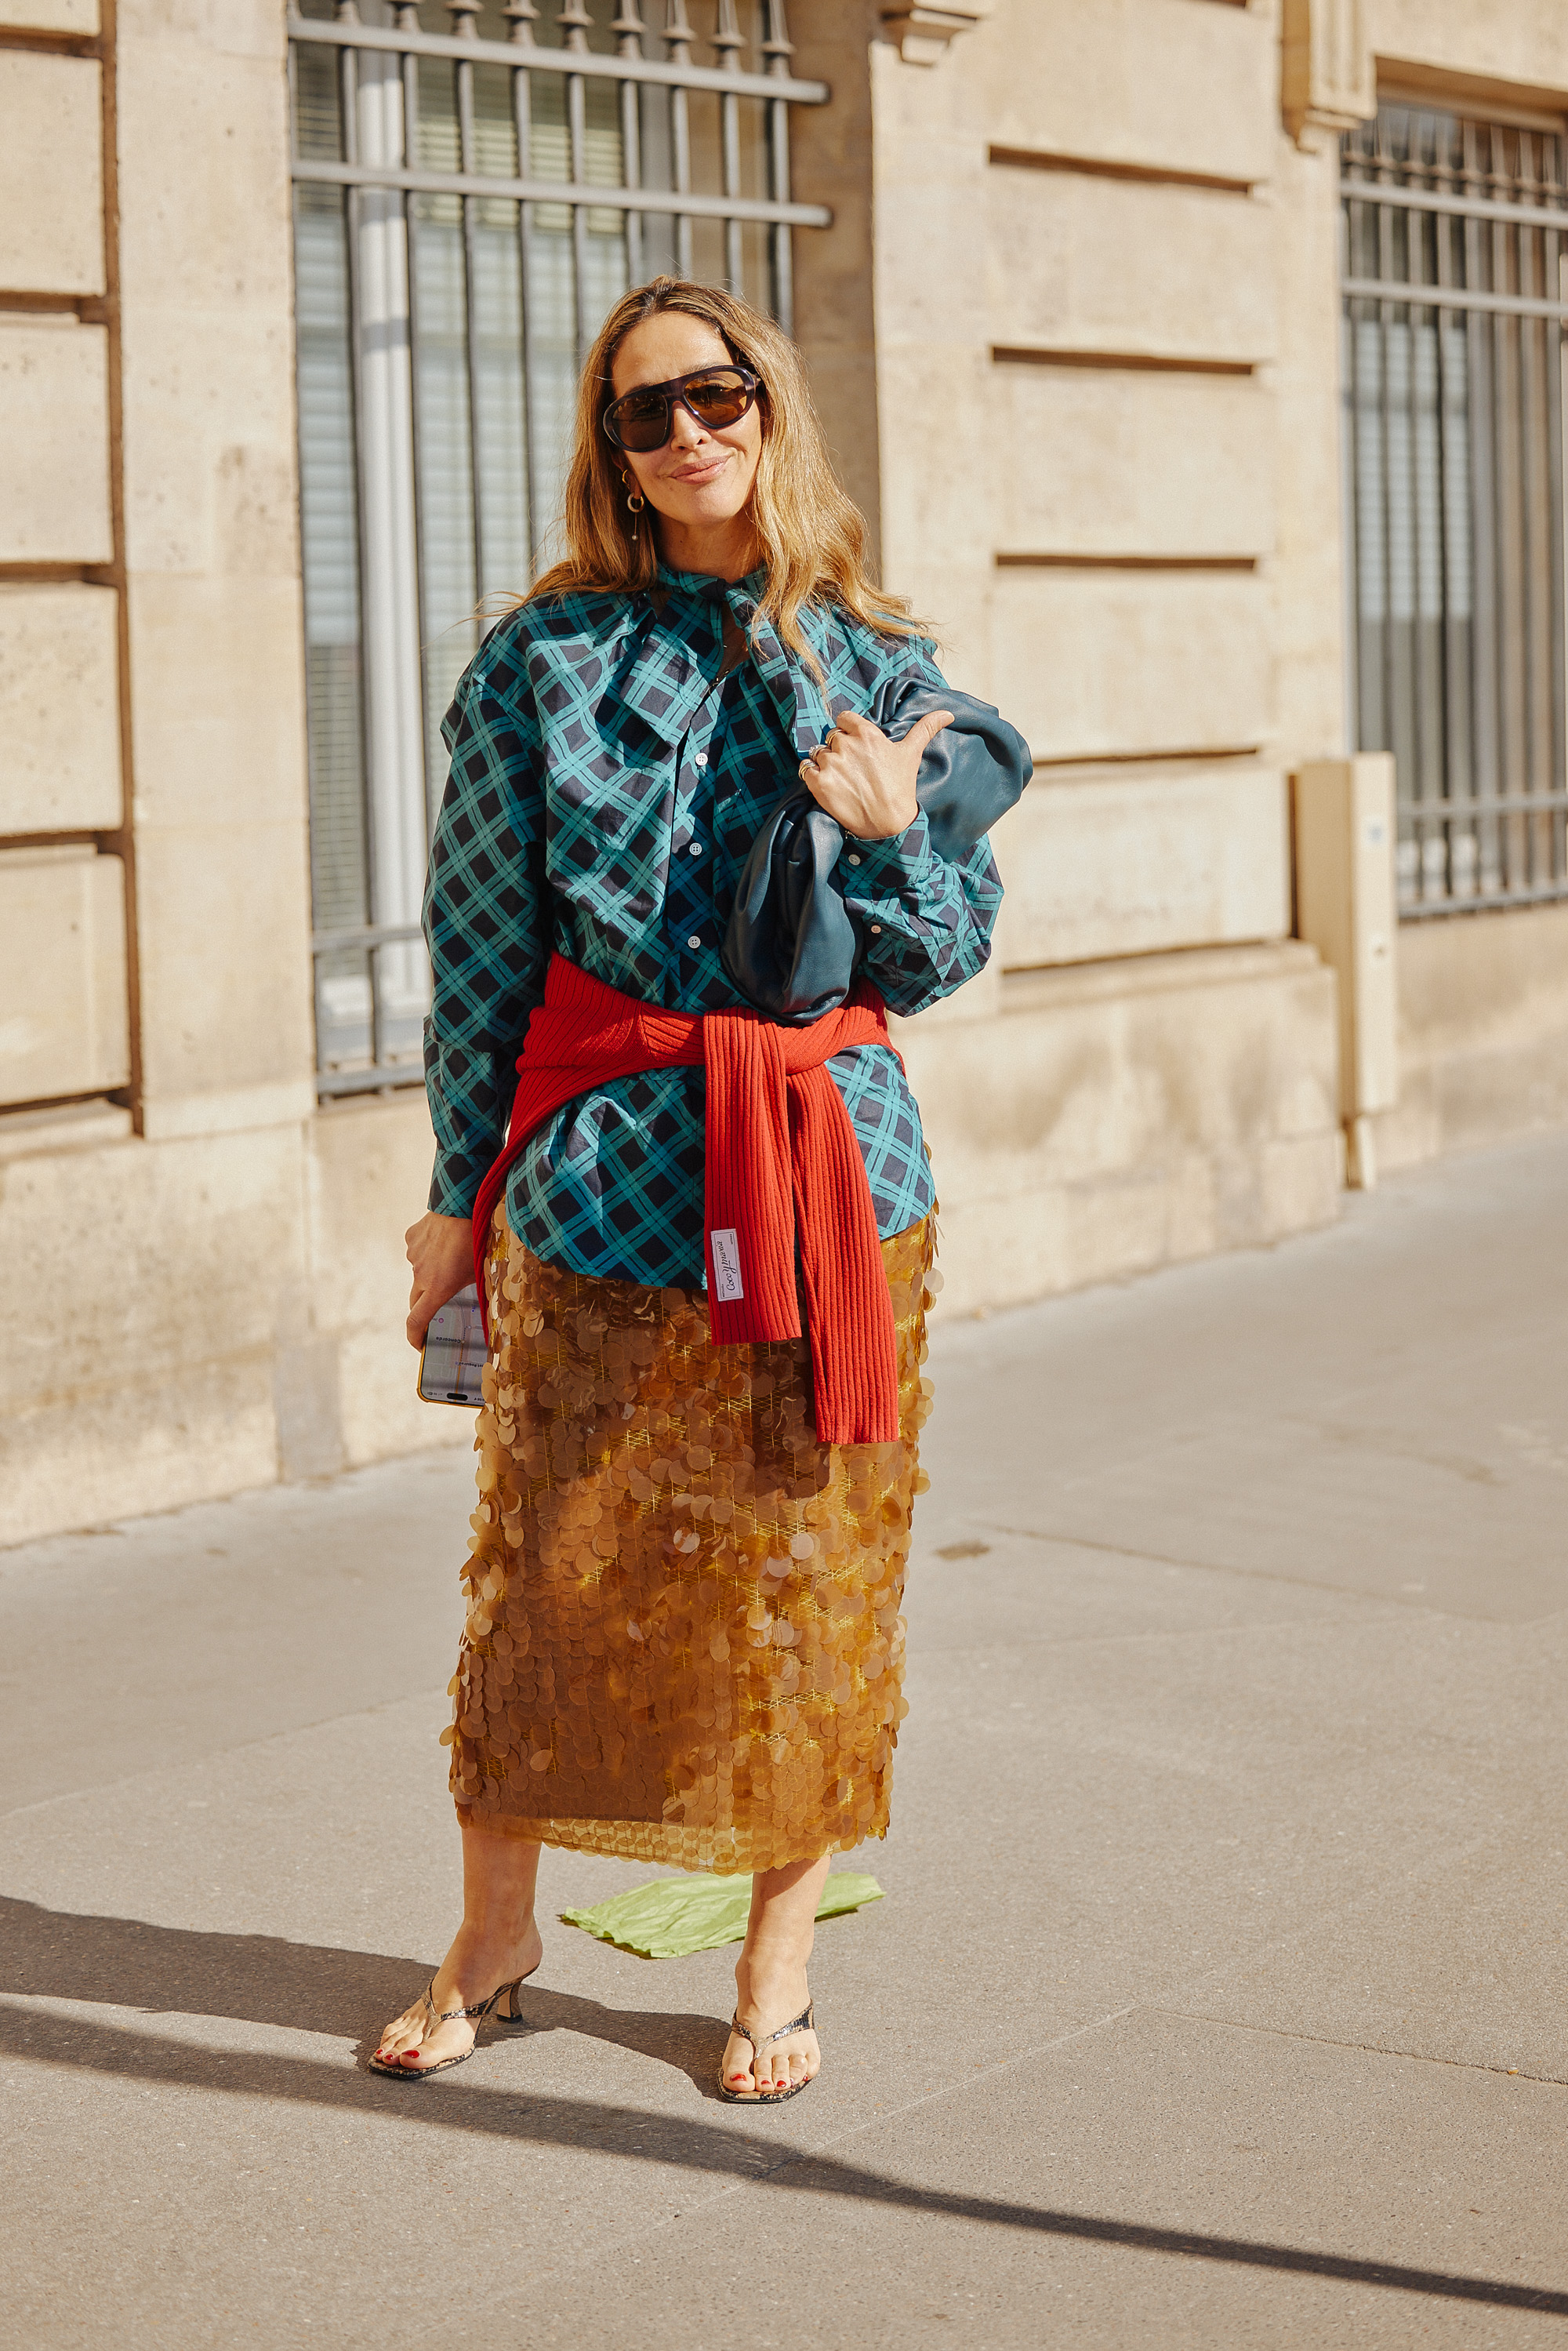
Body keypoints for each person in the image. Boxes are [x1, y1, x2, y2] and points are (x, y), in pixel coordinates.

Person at [373, 276, 1020, 2102]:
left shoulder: (881, 662)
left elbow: (938, 952)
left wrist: (888, 843)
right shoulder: (541, 661)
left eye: (714, 394)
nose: (683, 434)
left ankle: (773, 1957)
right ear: (612, 450)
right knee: (547, 1571)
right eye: (642, 411)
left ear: (768, 405)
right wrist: (455, 1191)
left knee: (802, 1572)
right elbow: (480, 954)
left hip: (827, 1174)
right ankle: (494, 1938)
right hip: (596, 1185)